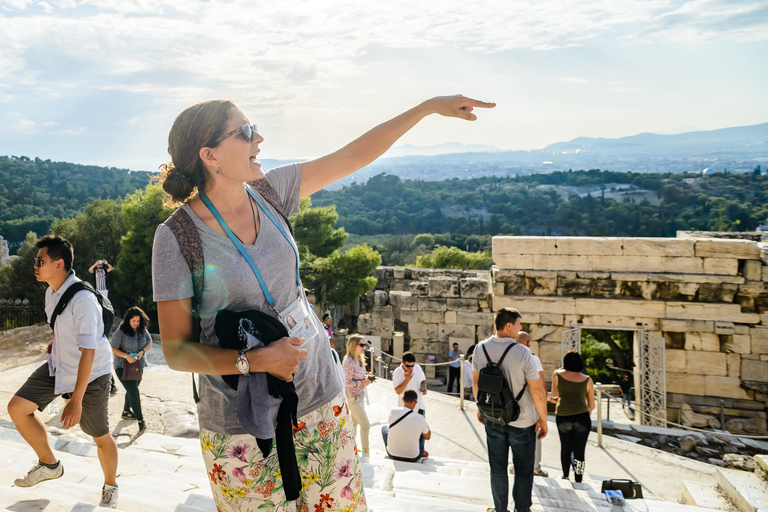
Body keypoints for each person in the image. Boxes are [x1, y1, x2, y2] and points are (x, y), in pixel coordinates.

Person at [151, 95, 493, 511]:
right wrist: (256, 360)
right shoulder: (175, 238)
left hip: (320, 397)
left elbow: (351, 156)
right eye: (244, 132)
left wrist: (425, 108)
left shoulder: (270, 191)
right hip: (243, 426)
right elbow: (176, 350)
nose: (258, 136)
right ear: (210, 155)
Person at [7, 235, 119, 508]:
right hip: (59, 365)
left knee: (99, 435)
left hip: (92, 372)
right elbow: (61, 328)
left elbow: (89, 352)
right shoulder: (51, 292)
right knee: (17, 408)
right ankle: (49, 464)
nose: (35, 265)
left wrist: (75, 401)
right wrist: (56, 342)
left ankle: (111, 486)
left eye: (40, 261)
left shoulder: (82, 299)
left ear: (59, 264)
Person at [472, 308, 548, 512]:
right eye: (518, 324)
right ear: (508, 326)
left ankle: (500, 510)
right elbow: (537, 392)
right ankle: (522, 510)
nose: (520, 327)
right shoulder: (522, 352)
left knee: (497, 469)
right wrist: (543, 419)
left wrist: (482, 409)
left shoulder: (480, 348)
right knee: (523, 470)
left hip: (493, 418)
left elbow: (476, 384)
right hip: (522, 421)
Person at [549, 351, 595, 482]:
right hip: (582, 417)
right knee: (580, 450)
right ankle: (579, 478)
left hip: (563, 416)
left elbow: (555, 393)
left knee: (565, 447)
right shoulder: (587, 380)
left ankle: (565, 475)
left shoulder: (557, 374)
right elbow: (591, 405)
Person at [110, 307, 152, 431]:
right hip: (122, 366)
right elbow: (113, 348)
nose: (136, 323)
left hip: (138, 366)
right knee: (134, 392)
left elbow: (149, 342)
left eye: (138, 321)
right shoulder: (120, 331)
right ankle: (141, 420)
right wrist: (126, 356)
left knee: (132, 389)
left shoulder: (142, 330)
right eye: (133, 321)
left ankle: (126, 411)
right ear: (128, 320)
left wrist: (142, 351)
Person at [515, 331, 549, 477]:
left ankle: (516, 466)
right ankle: (535, 467)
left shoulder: (508, 355)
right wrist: (544, 412)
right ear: (528, 343)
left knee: (514, 434)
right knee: (535, 436)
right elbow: (541, 386)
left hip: (512, 404)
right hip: (530, 404)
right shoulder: (532, 358)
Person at [381, 390, 431, 462]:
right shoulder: (420, 418)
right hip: (413, 457)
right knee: (423, 430)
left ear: (402, 399)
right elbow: (428, 437)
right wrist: (424, 422)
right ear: (415, 402)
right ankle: (422, 451)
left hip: (392, 455)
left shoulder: (393, 411)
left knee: (384, 428)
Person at [342, 334, 372, 455]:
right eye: (361, 344)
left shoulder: (359, 359)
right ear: (354, 346)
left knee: (354, 424)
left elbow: (357, 377)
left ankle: (352, 450)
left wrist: (367, 378)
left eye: (364, 344)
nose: (364, 347)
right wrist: (362, 382)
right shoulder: (348, 362)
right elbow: (347, 383)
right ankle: (366, 452)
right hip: (352, 398)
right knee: (365, 425)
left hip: (359, 396)